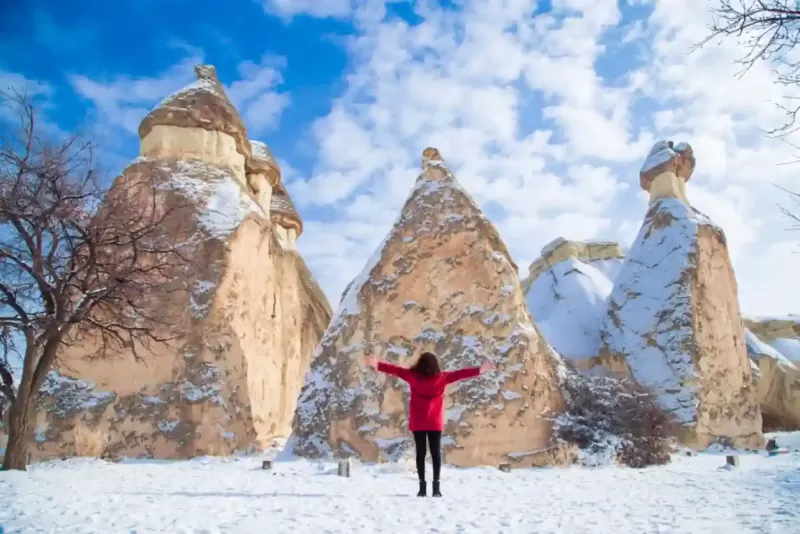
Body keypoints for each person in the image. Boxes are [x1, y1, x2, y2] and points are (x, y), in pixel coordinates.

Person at [365, 352, 495, 497]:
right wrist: (481, 369)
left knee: (420, 454)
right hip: (435, 422)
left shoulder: (413, 377)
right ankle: (436, 488)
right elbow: (460, 374)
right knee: (435, 455)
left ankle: (422, 488)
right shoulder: (442, 378)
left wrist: (376, 364)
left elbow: (396, 371)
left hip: (418, 422)